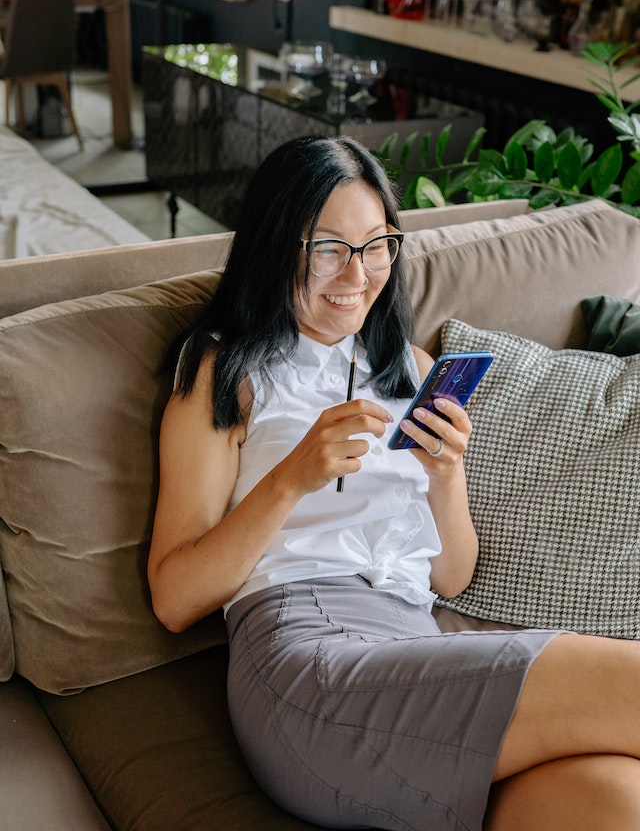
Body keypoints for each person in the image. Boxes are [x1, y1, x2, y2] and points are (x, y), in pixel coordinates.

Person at [148, 134, 640, 831]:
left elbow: (450, 577)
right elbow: (174, 598)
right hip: (307, 662)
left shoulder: (409, 368)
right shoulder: (222, 371)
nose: (358, 273)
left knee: (616, 799)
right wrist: (291, 479)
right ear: (275, 246)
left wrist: (445, 475)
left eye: (377, 245)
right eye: (329, 249)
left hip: (414, 638)